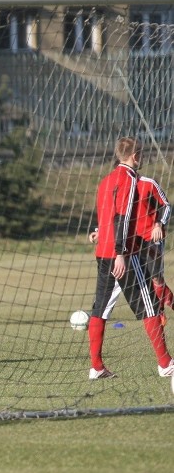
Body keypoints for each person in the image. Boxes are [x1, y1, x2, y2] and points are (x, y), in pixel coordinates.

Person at [86, 137, 174, 379]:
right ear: (136, 156)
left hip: (103, 253)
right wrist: (121, 254)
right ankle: (166, 364)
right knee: (150, 306)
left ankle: (97, 367)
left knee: (100, 309)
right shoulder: (130, 179)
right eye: (141, 154)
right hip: (123, 253)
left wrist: (99, 233)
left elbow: (107, 216)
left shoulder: (105, 180)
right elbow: (122, 220)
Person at [95, 172, 174, 323]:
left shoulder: (148, 183)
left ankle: (160, 312)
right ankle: (158, 315)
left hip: (151, 238)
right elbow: (113, 214)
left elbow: (166, 206)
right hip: (129, 242)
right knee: (141, 280)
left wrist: (159, 224)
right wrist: (99, 231)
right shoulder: (120, 186)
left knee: (155, 277)